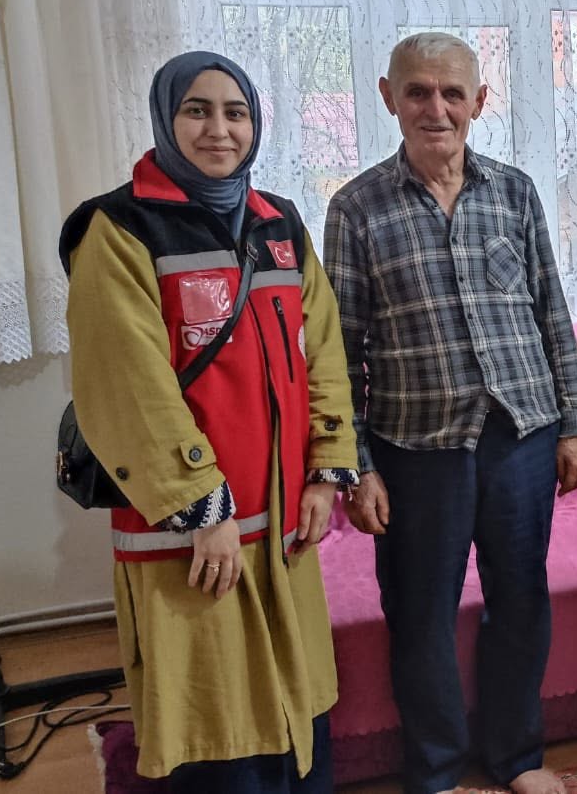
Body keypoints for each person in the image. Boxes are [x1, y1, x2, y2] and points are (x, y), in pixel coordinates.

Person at [62, 51, 358, 792]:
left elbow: (322, 350)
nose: (219, 129)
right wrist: (202, 507)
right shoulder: (120, 229)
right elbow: (127, 384)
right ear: (166, 120)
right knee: (214, 721)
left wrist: (327, 470)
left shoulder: (279, 223)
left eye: (236, 112)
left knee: (297, 711)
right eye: (196, 110)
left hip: (283, 523)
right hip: (191, 533)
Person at [324, 32, 577, 794]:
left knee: (521, 600)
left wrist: (575, 424)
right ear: (389, 97)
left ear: (479, 100)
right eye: (417, 91)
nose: (435, 109)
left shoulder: (514, 191)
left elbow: (551, 312)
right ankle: (437, 768)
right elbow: (338, 351)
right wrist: (357, 467)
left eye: (451, 93)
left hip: (522, 436)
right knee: (420, 610)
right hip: (415, 446)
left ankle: (516, 756)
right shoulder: (355, 208)